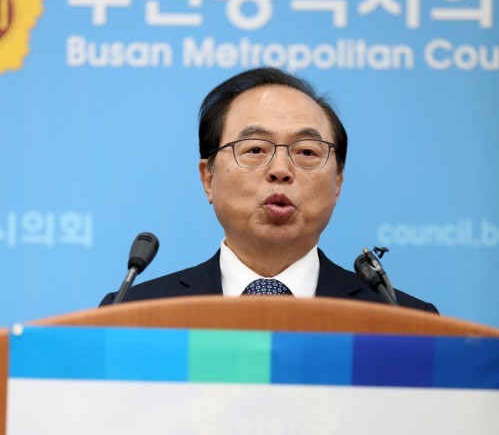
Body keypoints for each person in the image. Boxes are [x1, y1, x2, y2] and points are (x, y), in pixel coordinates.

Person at [101, 67, 437, 311]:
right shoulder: (132, 314)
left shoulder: (402, 321)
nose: (280, 170)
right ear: (208, 178)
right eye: (255, 149)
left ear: (337, 182)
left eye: (307, 152)